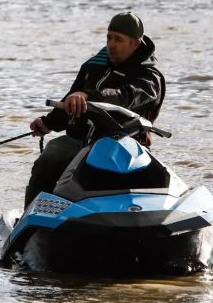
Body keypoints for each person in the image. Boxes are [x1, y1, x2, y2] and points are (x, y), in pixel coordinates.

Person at [25, 11, 166, 209]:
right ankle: (30, 220)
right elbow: (70, 102)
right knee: (52, 153)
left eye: (119, 39)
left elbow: (124, 96)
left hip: (127, 148)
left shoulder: (149, 78)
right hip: (81, 143)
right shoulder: (92, 66)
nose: (111, 44)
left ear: (135, 43)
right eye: (109, 38)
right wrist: (46, 124)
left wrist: (88, 96)